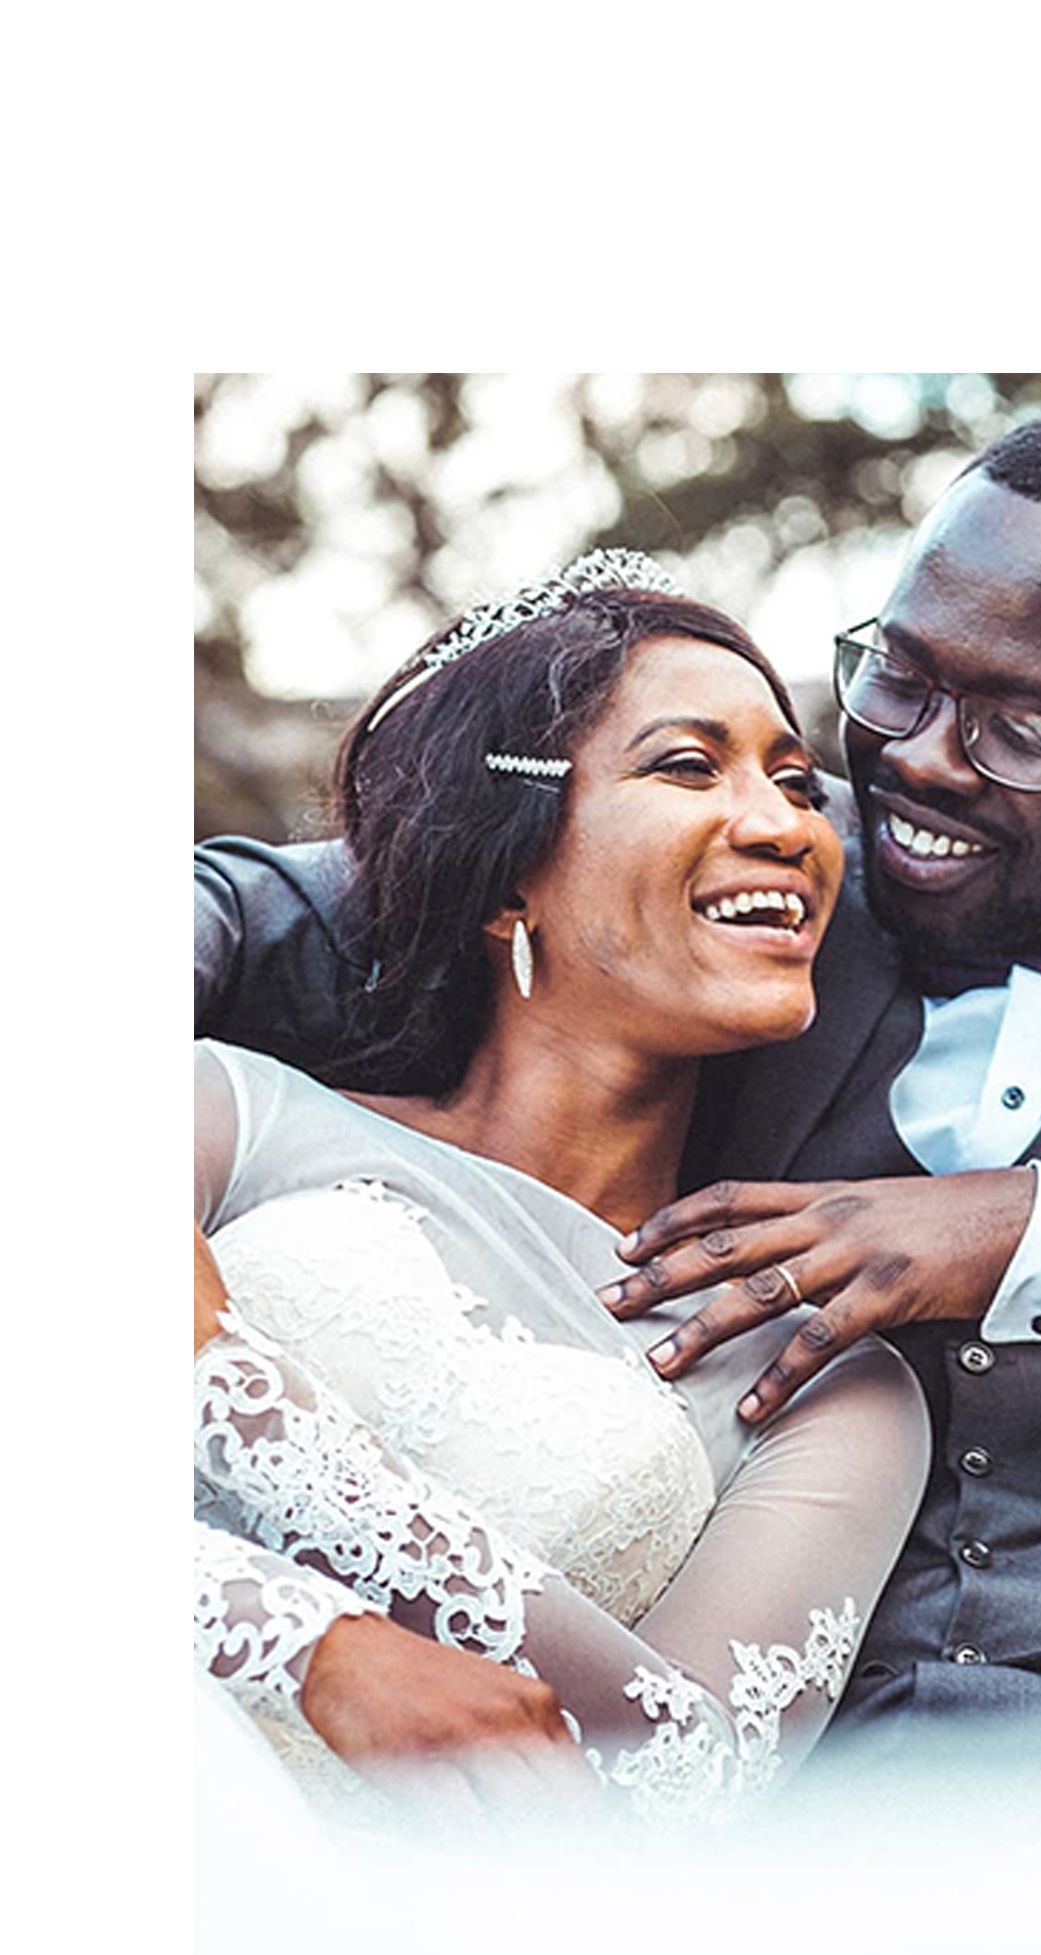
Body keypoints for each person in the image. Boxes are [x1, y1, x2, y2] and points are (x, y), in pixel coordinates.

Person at [196, 407, 1041, 1763]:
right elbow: (326, 880)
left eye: (1018, 729)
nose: (919, 760)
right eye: (897, 676)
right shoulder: (758, 862)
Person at [193, 552, 930, 1821]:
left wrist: (223, 1382)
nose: (788, 828)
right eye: (689, 765)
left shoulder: (828, 1384)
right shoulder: (226, 1114)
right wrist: (297, 1638)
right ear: (502, 873)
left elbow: (680, 1783)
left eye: (797, 782)